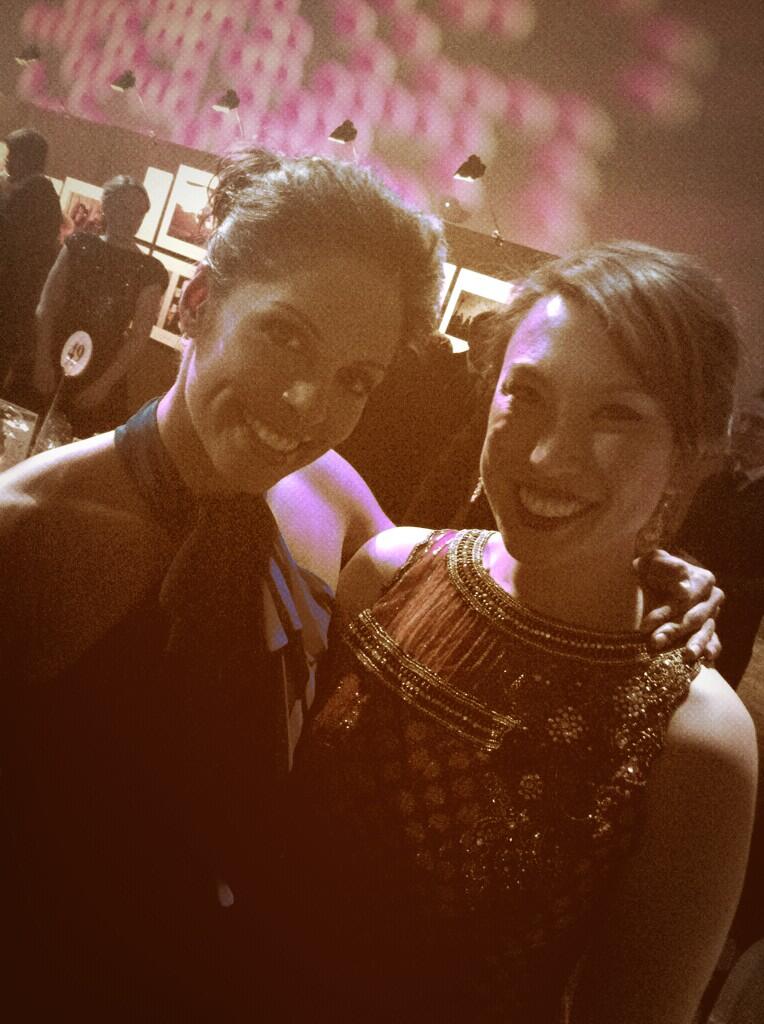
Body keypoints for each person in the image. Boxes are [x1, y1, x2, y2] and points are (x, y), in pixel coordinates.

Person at [0, 150, 722, 1021]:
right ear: (196, 301)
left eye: (355, 378)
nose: (306, 402)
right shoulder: (28, 531)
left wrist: (639, 563)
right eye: (284, 334)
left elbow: (483, 606)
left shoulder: (328, 498)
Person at [281, 241, 758, 1024]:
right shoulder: (387, 571)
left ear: (690, 452)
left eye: (617, 414)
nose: (547, 454)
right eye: (527, 393)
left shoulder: (695, 742)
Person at [32, 175, 168, 438]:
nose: (131, 218)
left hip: (102, 369)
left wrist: (103, 385)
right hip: (52, 350)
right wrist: (41, 359)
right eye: (125, 208)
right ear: (108, 206)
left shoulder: (151, 270)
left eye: (138, 213)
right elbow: (47, 305)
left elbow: (139, 337)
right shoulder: (79, 245)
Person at [676, 387, 764, 689]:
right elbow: (685, 538)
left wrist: (711, 581)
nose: (744, 430)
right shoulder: (715, 480)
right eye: (742, 419)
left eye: (758, 424)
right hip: (681, 611)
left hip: (730, 633)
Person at [0, 127, 61, 399]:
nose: (7, 161)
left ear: (26, 158)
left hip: (9, 302)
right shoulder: (41, 194)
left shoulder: (33, 194)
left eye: (12, 154)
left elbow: (12, 247)